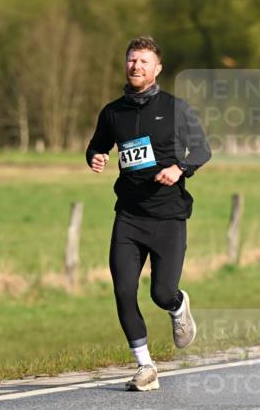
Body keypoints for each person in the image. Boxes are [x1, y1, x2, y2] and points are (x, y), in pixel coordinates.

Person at [86, 36, 211, 391]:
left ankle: (178, 306)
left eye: (143, 61)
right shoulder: (113, 112)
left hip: (168, 215)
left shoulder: (175, 108)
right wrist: (95, 156)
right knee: (124, 290)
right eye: (131, 60)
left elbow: (202, 149)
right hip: (128, 215)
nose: (136, 66)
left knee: (161, 293)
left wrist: (180, 169)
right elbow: (97, 145)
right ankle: (145, 366)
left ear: (157, 69)